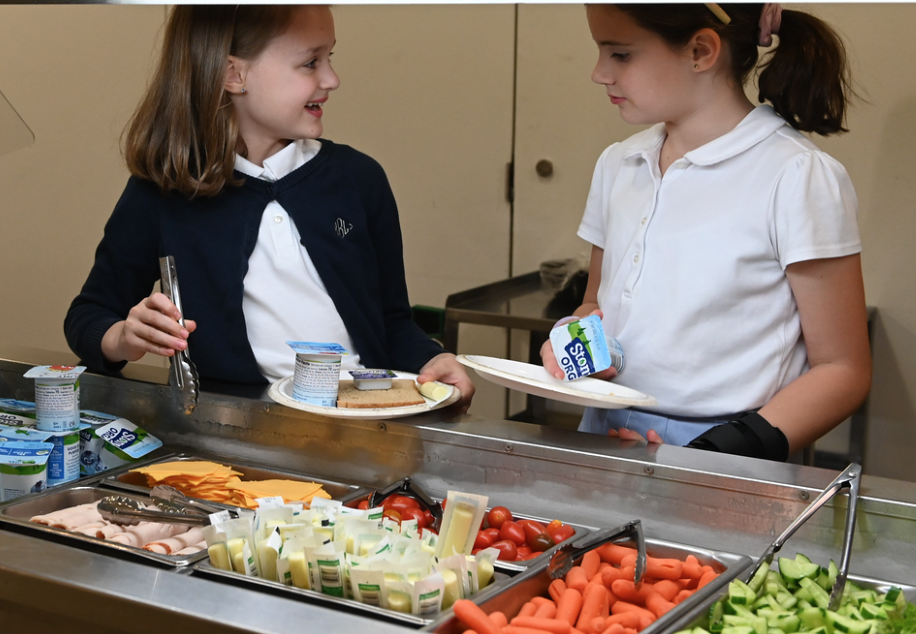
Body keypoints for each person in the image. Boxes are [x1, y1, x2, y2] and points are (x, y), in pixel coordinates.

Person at [64, 5, 474, 407]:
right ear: (233, 74)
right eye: (311, 62)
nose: (332, 78)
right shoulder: (161, 190)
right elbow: (88, 316)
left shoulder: (360, 179)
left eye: (330, 56)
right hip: (237, 438)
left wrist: (433, 358)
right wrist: (122, 337)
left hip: (366, 428)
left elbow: (391, 323)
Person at [541, 3, 870, 461]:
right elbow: (597, 304)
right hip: (603, 432)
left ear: (700, 50)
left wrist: (707, 455)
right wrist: (574, 345)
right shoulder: (620, 163)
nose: (599, 73)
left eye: (619, 55)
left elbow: (843, 370)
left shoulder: (796, 175)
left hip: (728, 452)